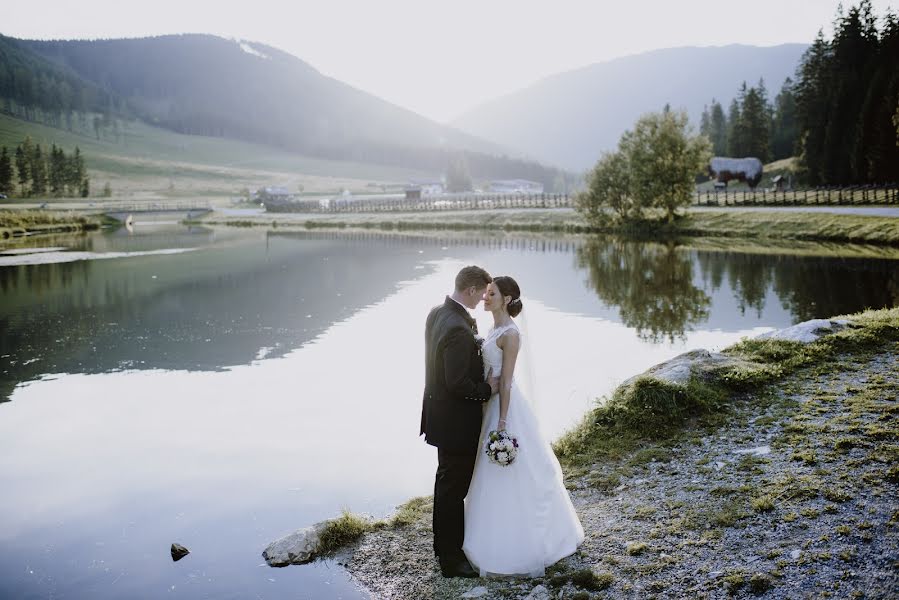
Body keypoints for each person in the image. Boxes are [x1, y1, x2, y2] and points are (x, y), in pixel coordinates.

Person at [463, 275, 584, 577]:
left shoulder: (511, 335)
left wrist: (502, 422)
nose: (485, 298)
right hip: (488, 404)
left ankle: (526, 543)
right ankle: (485, 535)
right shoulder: (492, 328)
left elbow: (506, 381)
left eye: (491, 294)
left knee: (515, 471)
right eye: (486, 293)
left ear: (506, 299)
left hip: (505, 407)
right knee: (486, 472)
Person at [421, 265, 499, 578]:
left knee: (446, 485)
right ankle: (451, 560)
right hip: (455, 423)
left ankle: (444, 548)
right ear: (470, 290)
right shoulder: (456, 328)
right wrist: (487, 389)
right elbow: (456, 382)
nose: (484, 298)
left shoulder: (437, 312)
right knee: (454, 489)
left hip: (439, 415)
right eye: (482, 292)